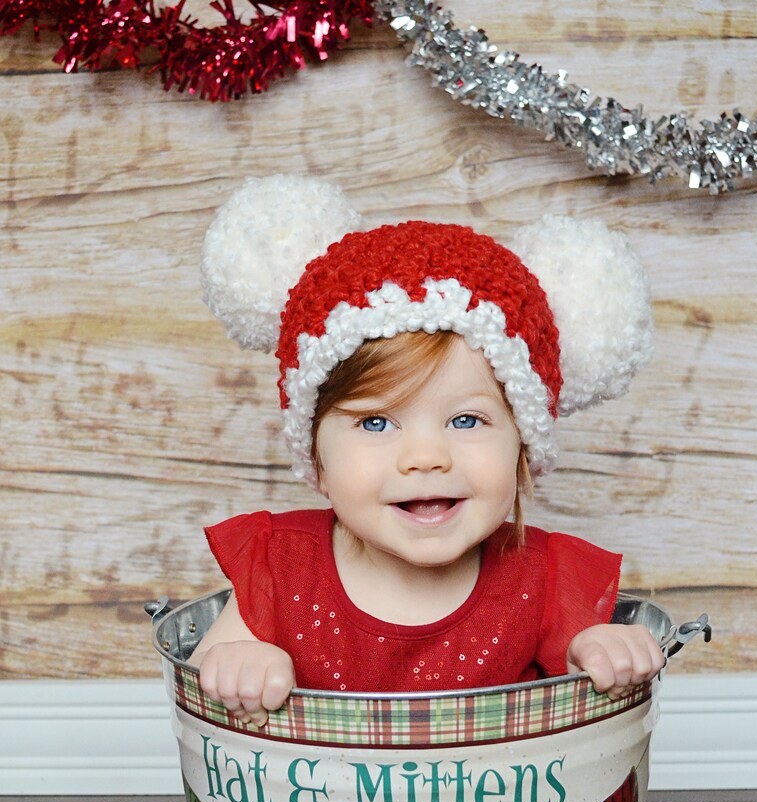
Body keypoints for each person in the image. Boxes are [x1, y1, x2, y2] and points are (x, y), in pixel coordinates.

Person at [189, 175, 665, 729]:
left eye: (466, 420)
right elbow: (201, 672)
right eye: (374, 421)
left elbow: (592, 670)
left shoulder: (543, 579)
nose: (425, 457)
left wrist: (606, 650)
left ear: (521, 448)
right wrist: (237, 664)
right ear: (316, 458)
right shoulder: (279, 568)